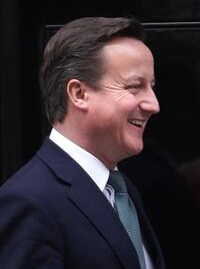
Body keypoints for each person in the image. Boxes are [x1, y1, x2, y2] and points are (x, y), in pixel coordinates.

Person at [0, 17, 165, 269]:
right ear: (79, 94)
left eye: (151, 87)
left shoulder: (123, 190)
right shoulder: (28, 201)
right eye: (134, 87)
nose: (153, 105)